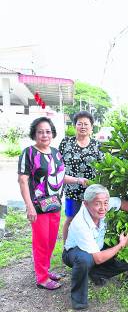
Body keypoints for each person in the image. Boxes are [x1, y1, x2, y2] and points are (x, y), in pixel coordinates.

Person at [18, 117, 88, 290]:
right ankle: (41, 278)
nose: (44, 135)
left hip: (54, 204)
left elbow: (59, 177)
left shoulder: (56, 153)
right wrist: (29, 206)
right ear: (34, 133)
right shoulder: (28, 153)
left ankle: (45, 270)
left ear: (52, 133)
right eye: (40, 131)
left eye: (48, 131)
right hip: (38, 207)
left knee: (50, 241)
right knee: (41, 242)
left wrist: (79, 180)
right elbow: (22, 180)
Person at [62, 184, 128, 310]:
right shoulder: (80, 223)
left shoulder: (105, 205)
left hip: (96, 248)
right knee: (85, 259)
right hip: (74, 253)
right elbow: (98, 258)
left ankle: (96, 273)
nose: (103, 208)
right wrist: (121, 244)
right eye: (97, 204)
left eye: (105, 203)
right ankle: (79, 301)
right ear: (85, 204)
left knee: (127, 260)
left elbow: (121, 203)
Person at [59, 111, 103, 241]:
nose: (83, 127)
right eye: (80, 124)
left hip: (92, 190)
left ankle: (89, 246)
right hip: (72, 189)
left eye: (86, 124)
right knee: (71, 218)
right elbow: (58, 166)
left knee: (93, 219)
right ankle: (67, 247)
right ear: (75, 126)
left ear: (91, 127)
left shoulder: (97, 145)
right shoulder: (66, 142)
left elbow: (103, 166)